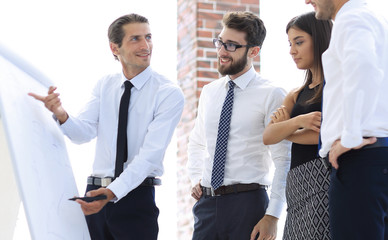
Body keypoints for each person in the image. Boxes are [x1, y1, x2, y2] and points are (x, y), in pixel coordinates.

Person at [29, 13, 184, 240]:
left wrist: (112, 193)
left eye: (148, 37)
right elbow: (83, 133)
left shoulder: (168, 93)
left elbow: (150, 156)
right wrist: (60, 114)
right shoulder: (105, 85)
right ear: (115, 48)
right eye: (136, 39)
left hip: (135, 198)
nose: (146, 45)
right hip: (94, 194)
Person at [187, 11, 291, 240]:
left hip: (248, 206)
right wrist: (196, 177)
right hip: (207, 206)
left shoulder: (272, 94)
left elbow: (283, 160)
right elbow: (196, 142)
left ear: (253, 51)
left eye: (232, 45)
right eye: (220, 42)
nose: (222, 51)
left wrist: (272, 216)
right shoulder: (209, 92)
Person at [304, 0, 388, 239]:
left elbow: (363, 66)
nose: (307, 1)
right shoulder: (378, 20)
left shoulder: (351, 18)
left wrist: (351, 136)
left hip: (361, 162)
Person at [262, 12, 332, 239]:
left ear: (320, 39)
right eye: (290, 44)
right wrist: (300, 122)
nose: (292, 50)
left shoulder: (335, 87)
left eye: (299, 42)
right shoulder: (295, 93)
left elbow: (325, 136)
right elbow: (269, 135)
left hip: (324, 177)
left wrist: (287, 129)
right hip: (296, 185)